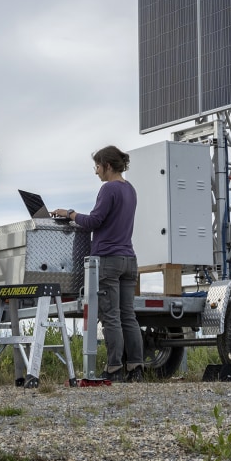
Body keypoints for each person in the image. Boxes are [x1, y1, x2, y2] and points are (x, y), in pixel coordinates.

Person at [53, 145, 143, 382]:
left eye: (97, 166)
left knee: (110, 316)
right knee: (128, 316)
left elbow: (93, 221)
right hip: (129, 259)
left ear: (108, 166)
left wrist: (69, 213)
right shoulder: (130, 189)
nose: (96, 172)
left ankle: (114, 368)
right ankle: (135, 367)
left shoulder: (109, 189)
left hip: (108, 260)